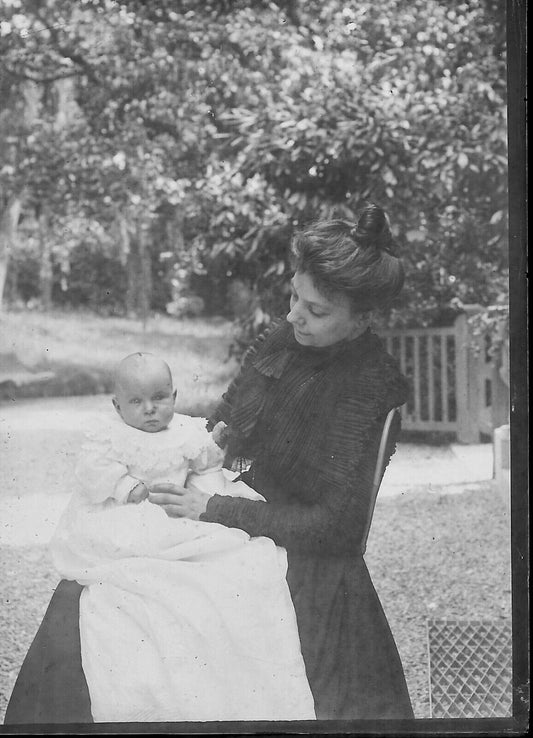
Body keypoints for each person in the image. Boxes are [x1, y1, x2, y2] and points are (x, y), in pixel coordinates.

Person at [5, 202, 414, 723]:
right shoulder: (282, 341)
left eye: (315, 310)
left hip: (294, 554)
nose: (293, 316)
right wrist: (191, 449)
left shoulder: (368, 387)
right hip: (225, 518)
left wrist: (212, 506)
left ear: (363, 318)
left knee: (120, 607)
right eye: (294, 296)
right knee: (90, 587)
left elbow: (335, 528)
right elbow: (222, 427)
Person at [22, 353, 316, 723]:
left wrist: (214, 466)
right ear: (117, 405)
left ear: (174, 397)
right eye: (136, 402)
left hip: (172, 511)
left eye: (159, 398)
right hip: (125, 511)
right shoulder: (110, 434)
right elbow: (93, 472)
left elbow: (203, 463)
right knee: (129, 551)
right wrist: (125, 486)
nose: (149, 410)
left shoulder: (183, 432)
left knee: (221, 555)